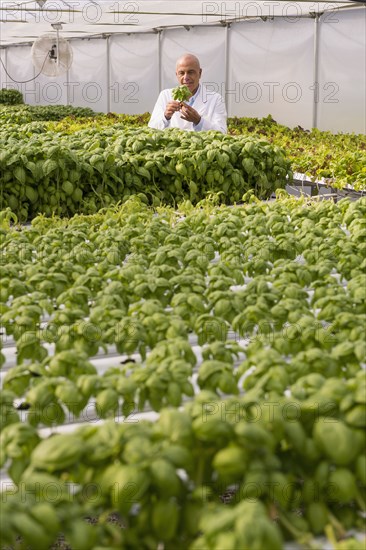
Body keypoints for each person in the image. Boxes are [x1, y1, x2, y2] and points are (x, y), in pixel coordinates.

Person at [148, 53, 227, 134]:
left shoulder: (216, 99)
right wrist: (165, 117)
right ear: (176, 75)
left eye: (190, 72)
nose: (186, 78)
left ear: (199, 73)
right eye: (181, 73)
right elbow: (151, 128)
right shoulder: (165, 95)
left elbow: (222, 132)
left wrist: (199, 121)